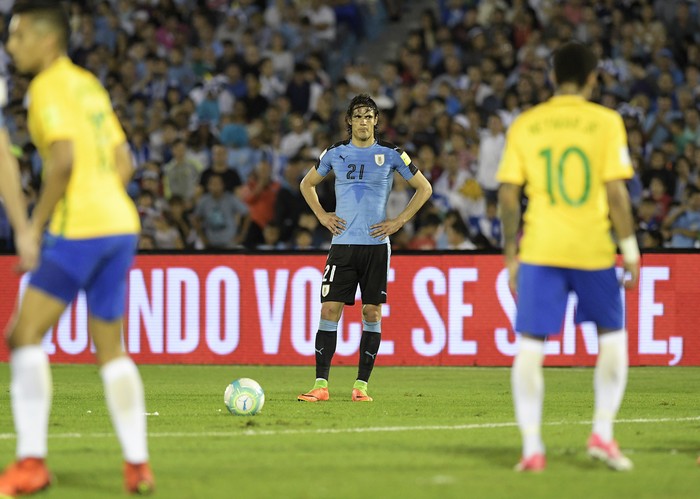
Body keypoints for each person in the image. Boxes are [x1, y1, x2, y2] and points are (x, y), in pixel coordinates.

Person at [1, 2, 153, 495]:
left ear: (46, 41)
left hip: (80, 229)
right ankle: (137, 467)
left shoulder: (46, 88)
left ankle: (31, 464)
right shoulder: (88, 83)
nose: (11, 46)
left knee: (23, 336)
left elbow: (62, 159)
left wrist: (34, 227)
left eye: (18, 36)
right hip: (119, 224)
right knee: (110, 349)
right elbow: (124, 159)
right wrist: (106, 200)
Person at [496, 42, 640, 473]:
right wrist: (629, 249)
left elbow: (506, 193)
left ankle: (532, 448)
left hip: (540, 248)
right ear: (594, 77)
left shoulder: (526, 123)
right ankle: (602, 433)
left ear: (552, 76)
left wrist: (510, 252)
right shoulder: (606, 122)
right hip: (593, 249)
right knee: (612, 338)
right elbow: (616, 193)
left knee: (530, 347)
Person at [297, 94, 432, 402]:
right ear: (349, 121)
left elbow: (425, 188)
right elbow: (307, 184)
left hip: (375, 246)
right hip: (342, 244)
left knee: (371, 312)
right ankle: (321, 384)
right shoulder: (335, 153)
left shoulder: (392, 153)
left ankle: (361, 386)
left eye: (368, 116)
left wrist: (398, 221)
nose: (363, 121)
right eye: (358, 116)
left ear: (376, 121)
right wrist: (321, 215)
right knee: (329, 308)